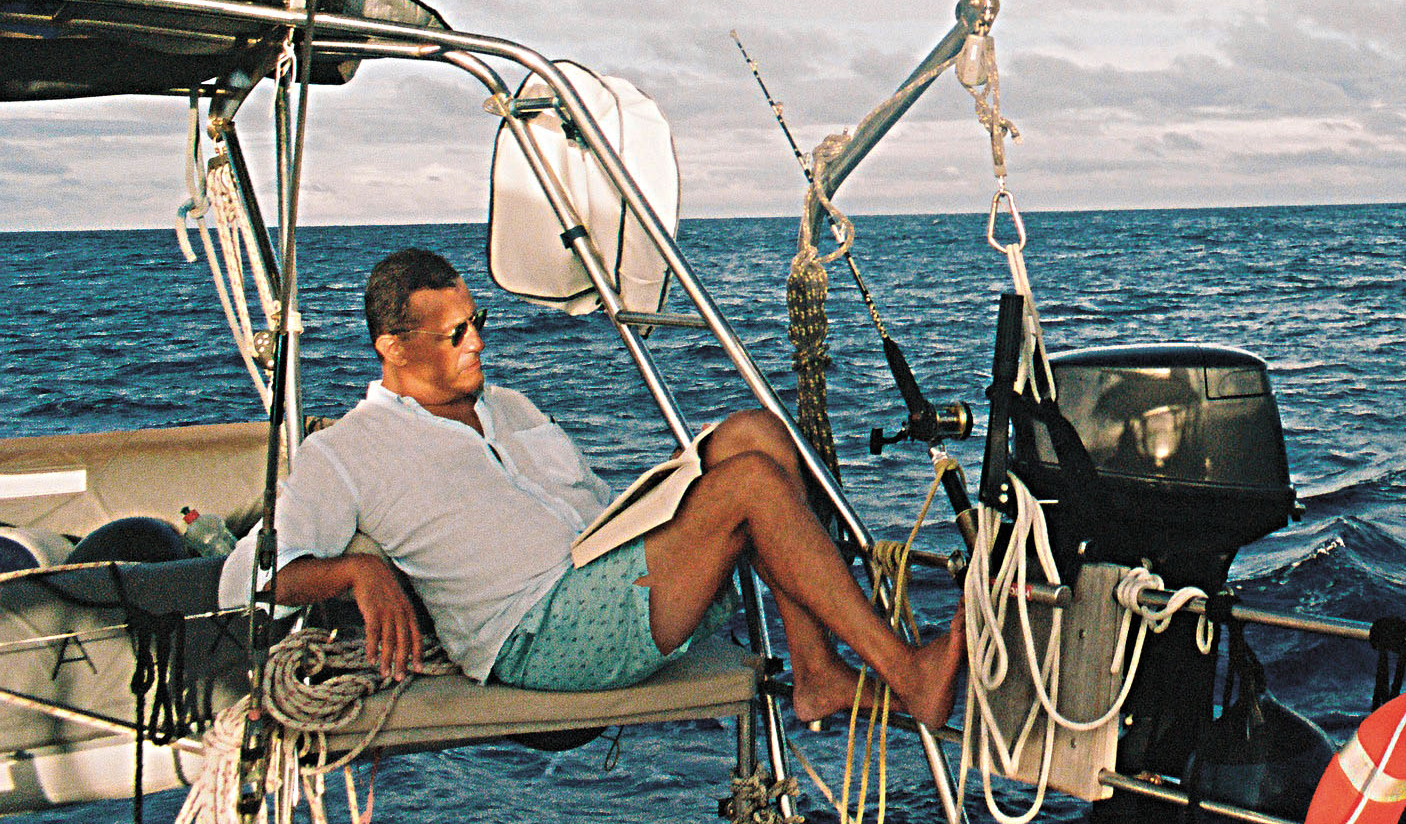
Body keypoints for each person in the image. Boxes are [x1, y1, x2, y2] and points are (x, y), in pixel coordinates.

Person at [227, 247, 963, 727]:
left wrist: (666, 514)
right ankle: (906, 673)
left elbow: (593, 501)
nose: (478, 341)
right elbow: (248, 580)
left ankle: (817, 673)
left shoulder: (506, 407)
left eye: (475, 321)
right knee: (748, 489)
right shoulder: (349, 450)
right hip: (537, 632)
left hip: (602, 564)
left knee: (755, 434)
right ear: (393, 348)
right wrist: (358, 570)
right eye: (454, 333)